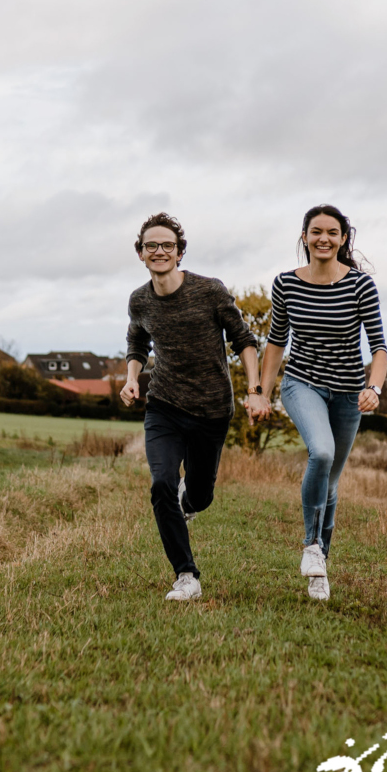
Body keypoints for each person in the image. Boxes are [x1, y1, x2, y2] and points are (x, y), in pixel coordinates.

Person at [120, 212, 269, 600]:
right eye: (151, 245)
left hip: (211, 410)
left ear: (180, 252)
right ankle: (186, 576)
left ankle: (190, 501)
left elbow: (244, 340)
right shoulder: (139, 300)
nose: (159, 251)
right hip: (164, 405)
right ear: (140, 253)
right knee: (161, 485)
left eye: (167, 245)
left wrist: (254, 389)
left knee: (201, 496)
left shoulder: (209, 291)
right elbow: (137, 342)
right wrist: (132, 378)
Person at [259, 204, 387, 600]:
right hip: (302, 383)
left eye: (332, 232)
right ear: (305, 237)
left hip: (348, 393)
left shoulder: (361, 286)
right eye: (316, 231)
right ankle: (311, 546)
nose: (324, 239)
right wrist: (261, 393)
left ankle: (320, 568)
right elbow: (276, 342)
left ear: (343, 239)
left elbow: (379, 348)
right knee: (322, 452)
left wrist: (374, 388)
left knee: (330, 483)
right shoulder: (286, 284)